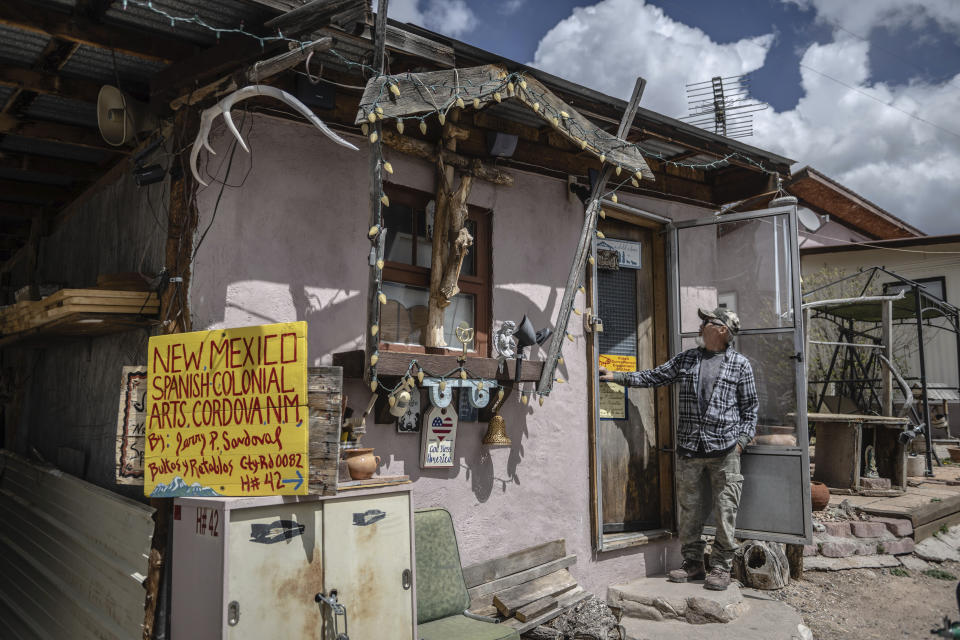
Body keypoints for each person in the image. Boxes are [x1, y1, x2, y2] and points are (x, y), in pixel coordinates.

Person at [599, 307, 758, 591]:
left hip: (724, 453)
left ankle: (721, 568)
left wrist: (741, 443)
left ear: (722, 330)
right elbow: (654, 376)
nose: (700, 325)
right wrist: (615, 376)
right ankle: (694, 563)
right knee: (689, 512)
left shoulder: (740, 365)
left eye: (706, 321)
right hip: (689, 450)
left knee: (725, 511)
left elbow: (751, 409)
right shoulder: (687, 359)